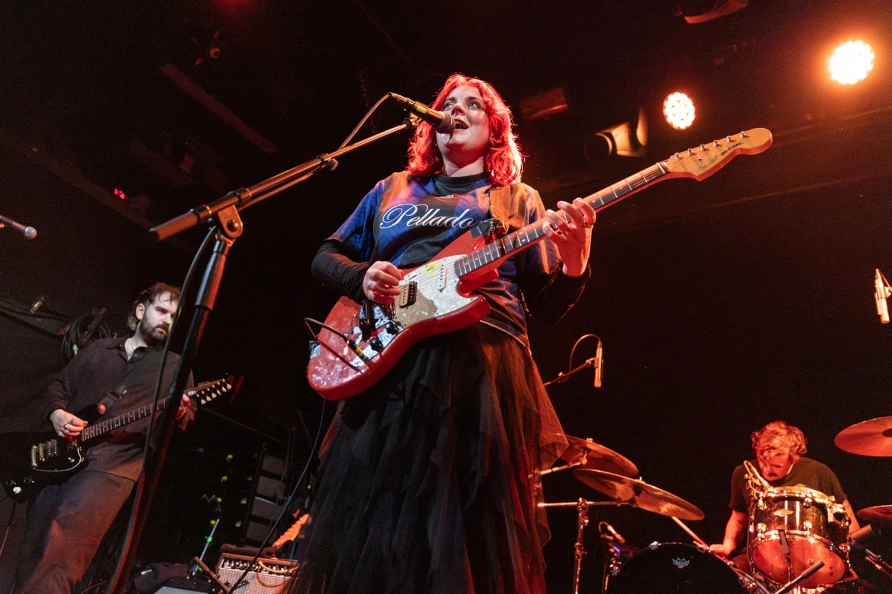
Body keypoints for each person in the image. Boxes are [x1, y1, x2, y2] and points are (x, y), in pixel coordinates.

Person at [297, 73, 596, 593]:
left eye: (473, 105)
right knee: (377, 526)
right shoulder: (392, 188)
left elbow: (546, 308)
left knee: (462, 531)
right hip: (387, 362)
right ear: (428, 123)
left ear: (495, 128)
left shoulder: (517, 199)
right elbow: (326, 256)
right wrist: (361, 276)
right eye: (447, 103)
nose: (456, 110)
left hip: (480, 368)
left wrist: (575, 264)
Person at [14, 282, 195, 594]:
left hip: (113, 468)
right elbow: (59, 387)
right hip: (61, 458)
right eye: (162, 310)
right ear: (141, 311)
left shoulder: (175, 368)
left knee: (63, 554)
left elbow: (184, 422)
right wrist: (57, 413)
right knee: (32, 548)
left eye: (173, 316)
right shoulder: (100, 350)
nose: (167, 319)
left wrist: (180, 412)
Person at [710, 420, 860, 566]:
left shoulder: (819, 472)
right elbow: (738, 520)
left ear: (794, 458)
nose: (767, 470)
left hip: (813, 557)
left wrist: (850, 551)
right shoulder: (744, 473)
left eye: (776, 465)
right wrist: (727, 545)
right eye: (762, 461)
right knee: (727, 575)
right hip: (759, 556)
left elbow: (847, 518)